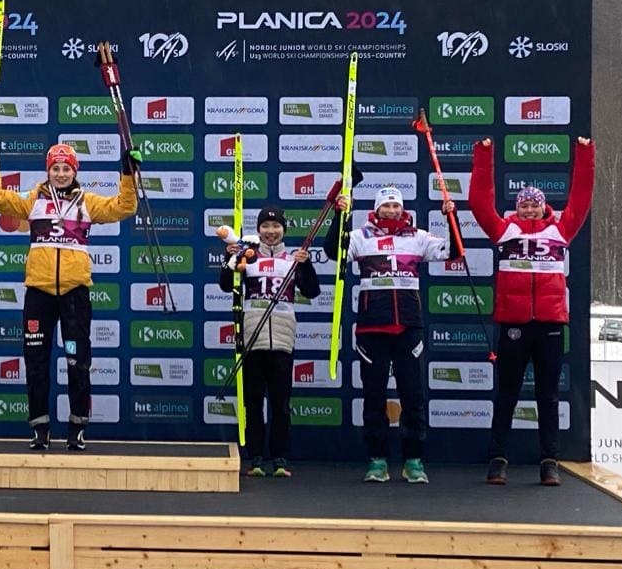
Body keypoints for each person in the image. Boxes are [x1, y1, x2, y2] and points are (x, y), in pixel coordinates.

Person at [0, 141, 138, 450]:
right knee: (36, 363)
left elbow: (124, 207)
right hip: (39, 294)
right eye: (55, 168)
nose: (60, 173)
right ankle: (39, 428)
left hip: (73, 295)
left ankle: (77, 426)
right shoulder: (33, 200)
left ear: (74, 171)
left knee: (77, 361)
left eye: (66, 168)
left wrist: (127, 173)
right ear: (48, 171)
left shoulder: (88, 202)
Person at [468, 136, 595, 487]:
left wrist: (584, 154)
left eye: (533, 207)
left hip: (550, 324)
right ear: (517, 208)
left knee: (548, 396)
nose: (528, 211)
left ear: (543, 208)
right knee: (506, 394)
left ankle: (549, 462)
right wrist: (484, 154)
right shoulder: (504, 229)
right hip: (513, 322)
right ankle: (497, 460)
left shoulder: (561, 229)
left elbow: (581, 197)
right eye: (523, 206)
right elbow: (479, 202)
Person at [328, 184, 459, 484]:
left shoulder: (417, 237)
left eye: (396, 206)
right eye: (386, 206)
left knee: (412, 397)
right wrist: (339, 217)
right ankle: (377, 460)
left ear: (403, 209)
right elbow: (334, 252)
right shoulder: (361, 237)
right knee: (374, 398)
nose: (391, 211)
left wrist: (451, 218)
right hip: (372, 327)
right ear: (376, 209)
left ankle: (413, 460)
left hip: (408, 328)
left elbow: (452, 251)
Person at [219, 205, 322, 477]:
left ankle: (280, 459)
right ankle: (255, 458)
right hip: (253, 336)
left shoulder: (292, 258)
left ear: (283, 230)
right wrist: (229, 258)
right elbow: (225, 284)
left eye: (276, 227)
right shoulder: (248, 256)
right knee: (253, 401)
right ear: (259, 230)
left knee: (280, 404)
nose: (271, 231)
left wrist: (306, 263)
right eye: (265, 226)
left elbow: (312, 290)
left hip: (283, 339)